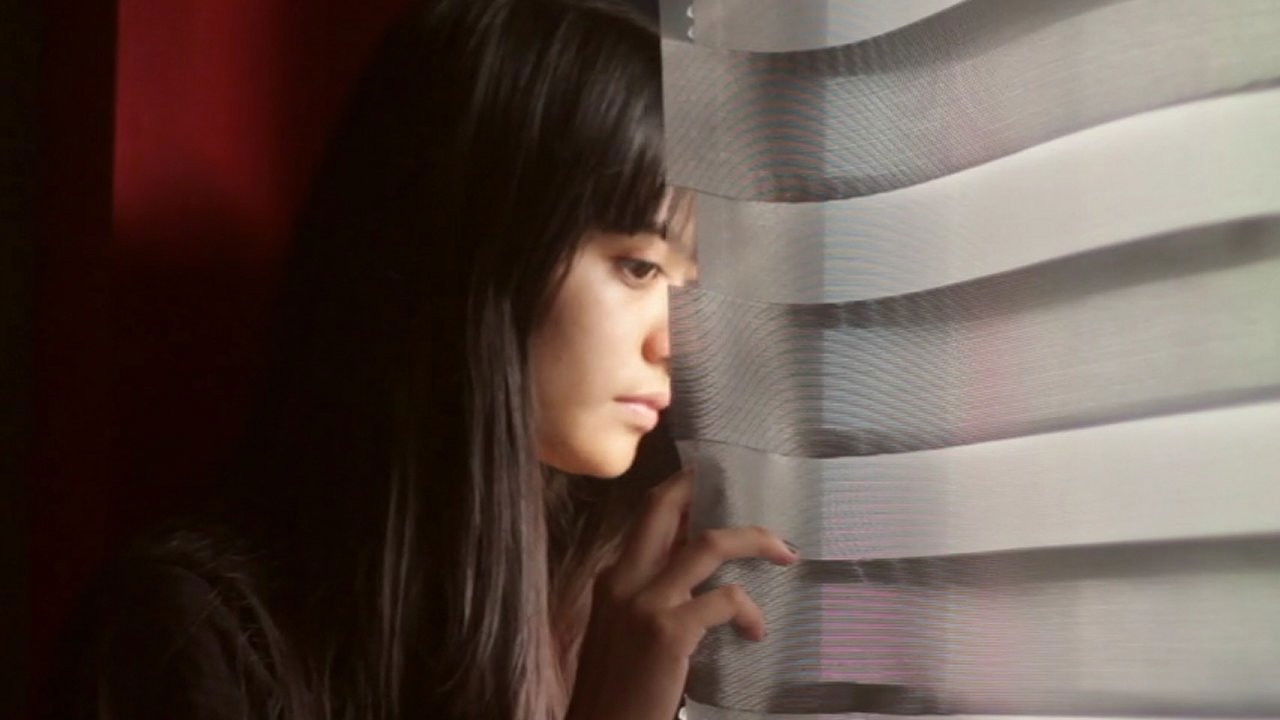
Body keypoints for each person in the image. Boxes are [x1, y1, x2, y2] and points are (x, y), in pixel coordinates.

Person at [51, 1, 797, 719]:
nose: (682, 342)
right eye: (639, 268)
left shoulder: (643, 613)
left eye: (696, 286)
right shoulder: (191, 636)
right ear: (476, 248)